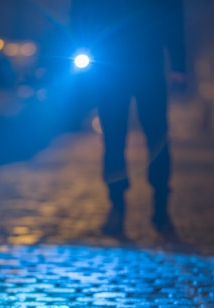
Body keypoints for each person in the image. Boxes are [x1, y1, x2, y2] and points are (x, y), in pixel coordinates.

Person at [69, 0, 188, 238]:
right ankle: (121, 205)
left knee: (153, 137)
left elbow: (172, 13)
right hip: (114, 63)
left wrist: (178, 62)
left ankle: (158, 208)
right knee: (119, 137)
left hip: (136, 62)